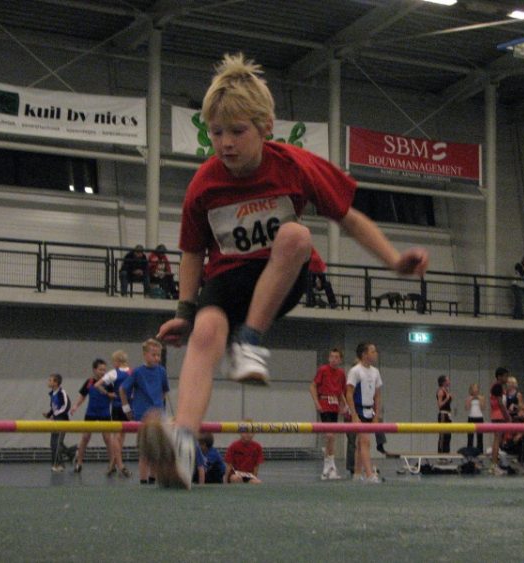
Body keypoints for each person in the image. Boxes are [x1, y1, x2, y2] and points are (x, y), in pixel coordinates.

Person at [140, 53, 428, 489]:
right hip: (229, 278)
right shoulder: (204, 183)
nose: (226, 143)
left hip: (284, 275)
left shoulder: (294, 165)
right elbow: (192, 251)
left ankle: (250, 343)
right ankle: (182, 440)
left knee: (296, 236)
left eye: (238, 132)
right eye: (216, 133)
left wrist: (393, 260)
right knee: (205, 331)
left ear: (266, 127)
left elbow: (348, 217)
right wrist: (184, 309)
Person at [121, 339, 170, 485]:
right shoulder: (137, 372)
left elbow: (164, 390)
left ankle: (153, 478)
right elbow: (123, 389)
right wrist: (126, 408)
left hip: (158, 415)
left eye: (158, 355)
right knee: (144, 451)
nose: (157, 358)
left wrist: (158, 405)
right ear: (145, 355)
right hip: (142, 415)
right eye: (153, 355)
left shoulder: (161, 371)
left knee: (157, 450)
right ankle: (143, 480)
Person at [69, 359, 116, 474]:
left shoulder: (108, 382)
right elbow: (82, 396)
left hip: (104, 413)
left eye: (104, 370)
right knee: (85, 438)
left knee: (107, 439)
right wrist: (75, 406)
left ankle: (112, 464)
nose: (102, 372)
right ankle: (79, 463)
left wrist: (105, 392)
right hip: (91, 413)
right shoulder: (89, 382)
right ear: (94, 370)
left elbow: (114, 396)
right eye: (100, 369)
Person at [346, 342, 383, 483]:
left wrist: (376, 415)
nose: (375, 354)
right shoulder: (355, 371)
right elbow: (349, 393)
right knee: (365, 442)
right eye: (372, 351)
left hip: (370, 412)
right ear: (364, 354)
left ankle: (356, 473)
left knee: (361, 443)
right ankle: (369, 474)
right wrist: (354, 415)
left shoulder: (375, 372)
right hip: (358, 410)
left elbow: (378, 395)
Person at [309, 348, 347, 480]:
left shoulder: (342, 374)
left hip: (335, 407)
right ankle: (327, 466)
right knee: (329, 435)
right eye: (331, 356)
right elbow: (312, 386)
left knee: (332, 437)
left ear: (340, 360)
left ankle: (331, 468)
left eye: (336, 357)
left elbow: (341, 392)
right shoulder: (323, 370)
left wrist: (343, 405)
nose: (334, 359)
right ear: (328, 358)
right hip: (324, 405)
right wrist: (317, 402)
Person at [95, 350, 132, 478]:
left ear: (116, 361)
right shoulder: (132, 372)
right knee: (121, 436)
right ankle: (116, 464)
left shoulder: (113, 373)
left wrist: (108, 393)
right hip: (128, 407)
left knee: (117, 436)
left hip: (117, 406)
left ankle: (117, 464)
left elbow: (97, 384)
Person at [43, 373, 75, 472]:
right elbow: (54, 407)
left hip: (62, 420)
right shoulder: (52, 394)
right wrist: (48, 415)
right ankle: (71, 454)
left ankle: (58, 464)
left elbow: (66, 406)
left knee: (57, 443)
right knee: (54, 443)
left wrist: (55, 415)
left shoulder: (62, 392)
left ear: (56, 383)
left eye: (50, 380)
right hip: (56, 420)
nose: (48, 382)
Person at [488, 368, 511, 475]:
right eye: (505, 376)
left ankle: (495, 465)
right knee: (497, 440)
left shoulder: (500, 387)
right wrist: (507, 416)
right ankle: (494, 465)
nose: (507, 378)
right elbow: (500, 403)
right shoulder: (498, 386)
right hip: (498, 416)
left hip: (498, 415)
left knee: (498, 440)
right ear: (499, 377)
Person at [465, 383, 485, 454]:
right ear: (471, 390)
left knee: (480, 436)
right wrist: (470, 399)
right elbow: (467, 408)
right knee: (470, 436)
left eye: (476, 388)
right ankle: (469, 451)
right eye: (474, 388)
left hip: (479, 417)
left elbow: (483, 408)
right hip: (471, 417)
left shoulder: (481, 397)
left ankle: (480, 451)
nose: (475, 390)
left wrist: (479, 399)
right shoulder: (469, 398)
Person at [512, 254, 524, 319]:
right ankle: (520, 315)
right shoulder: (518, 265)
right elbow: (522, 274)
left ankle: (518, 315)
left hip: (523, 287)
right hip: (517, 286)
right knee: (520, 300)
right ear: (523, 260)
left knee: (521, 301)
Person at [436, 375, 452, 453]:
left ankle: (446, 454)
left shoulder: (446, 391)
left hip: (448, 415)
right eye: (448, 380)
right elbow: (440, 405)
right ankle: (441, 455)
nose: (449, 381)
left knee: (448, 436)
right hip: (443, 415)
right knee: (443, 435)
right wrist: (446, 398)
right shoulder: (440, 391)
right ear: (443, 382)